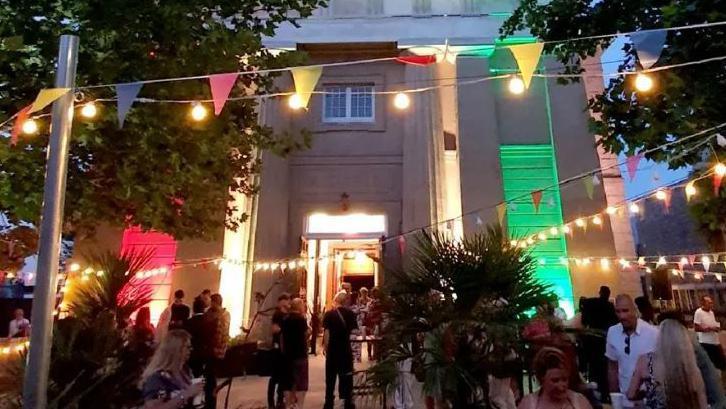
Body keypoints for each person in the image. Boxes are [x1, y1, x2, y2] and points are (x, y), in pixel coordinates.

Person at [626, 319, 707, 408]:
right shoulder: (689, 364)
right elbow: (702, 402)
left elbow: (631, 394)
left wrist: (648, 392)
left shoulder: (645, 360)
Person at [605, 294, 658, 408]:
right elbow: (612, 367)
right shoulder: (612, 332)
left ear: (634, 310)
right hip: (624, 399)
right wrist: (615, 399)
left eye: (625, 311)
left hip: (648, 400)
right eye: (618, 311)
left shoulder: (652, 333)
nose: (622, 316)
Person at [140, 329, 204, 409]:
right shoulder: (158, 378)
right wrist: (185, 394)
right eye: (187, 347)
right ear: (176, 349)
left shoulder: (185, 371)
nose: (191, 350)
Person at [518, 347, 593, 409]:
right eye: (555, 380)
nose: (561, 386)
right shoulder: (529, 404)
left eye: (564, 379)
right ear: (542, 379)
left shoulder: (579, 401)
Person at [323, 291, 358, 409]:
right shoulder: (351, 314)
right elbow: (355, 332)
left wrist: (326, 347)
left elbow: (326, 333)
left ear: (336, 301)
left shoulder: (329, 314)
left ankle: (329, 402)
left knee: (330, 378)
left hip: (333, 349)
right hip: (345, 349)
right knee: (346, 376)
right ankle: (347, 400)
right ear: (346, 301)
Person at [582, 286, 618, 401]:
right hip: (605, 340)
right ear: (608, 294)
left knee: (593, 366)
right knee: (605, 366)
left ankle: (594, 392)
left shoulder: (590, 303)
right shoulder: (609, 306)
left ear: (600, 292)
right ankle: (605, 392)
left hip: (592, 340)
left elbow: (584, 321)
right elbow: (614, 322)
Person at [202, 293, 230, 409]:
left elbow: (209, 332)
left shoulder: (211, 315)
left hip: (212, 350)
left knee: (210, 379)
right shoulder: (226, 314)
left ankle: (210, 403)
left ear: (214, 302)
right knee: (213, 378)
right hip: (222, 349)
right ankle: (211, 402)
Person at [281, 298, 310, 408]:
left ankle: (288, 404)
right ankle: (299, 405)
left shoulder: (285, 319)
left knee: (288, 382)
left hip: (288, 355)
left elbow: (282, 337)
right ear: (299, 307)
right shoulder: (301, 320)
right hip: (300, 354)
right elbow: (305, 334)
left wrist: (283, 350)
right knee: (301, 382)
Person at [269, 293, 290, 409]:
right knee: (275, 376)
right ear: (281, 302)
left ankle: (279, 399)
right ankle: (272, 401)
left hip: (284, 348)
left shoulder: (286, 314)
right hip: (277, 348)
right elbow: (274, 329)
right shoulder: (278, 314)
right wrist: (285, 330)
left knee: (282, 376)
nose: (288, 303)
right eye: (286, 301)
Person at [694, 295, 725, 370]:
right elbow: (696, 327)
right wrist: (709, 329)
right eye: (709, 303)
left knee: (722, 362)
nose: (711, 304)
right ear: (703, 303)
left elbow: (713, 323)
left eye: (711, 302)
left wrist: (717, 327)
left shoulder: (711, 312)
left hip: (715, 340)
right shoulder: (698, 312)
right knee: (712, 364)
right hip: (706, 342)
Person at [184, 297, 210, 377]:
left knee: (193, 374)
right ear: (204, 308)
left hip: (192, 352)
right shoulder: (209, 321)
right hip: (205, 352)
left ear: (194, 309)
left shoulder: (189, 322)